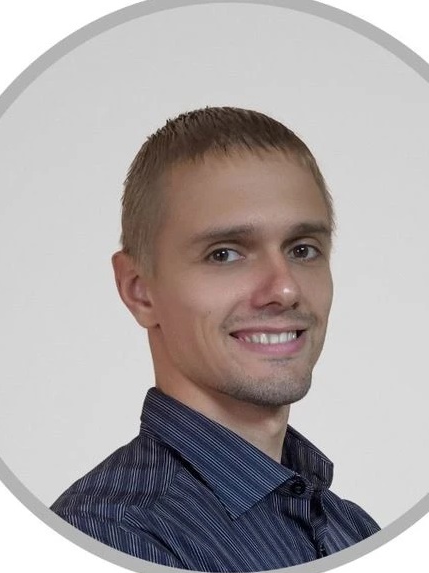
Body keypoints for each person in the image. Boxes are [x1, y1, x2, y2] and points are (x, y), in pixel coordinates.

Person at [51, 107, 380, 571]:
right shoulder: (109, 538)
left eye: (303, 249)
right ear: (140, 291)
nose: (285, 289)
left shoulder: (352, 527)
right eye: (224, 254)